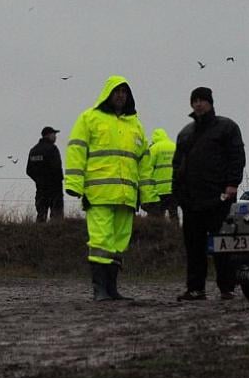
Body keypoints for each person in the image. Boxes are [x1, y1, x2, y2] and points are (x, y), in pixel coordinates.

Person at [65, 76, 154, 301]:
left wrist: (149, 195)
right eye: (117, 91)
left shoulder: (135, 124)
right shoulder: (90, 118)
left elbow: (143, 161)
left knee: (118, 243)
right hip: (99, 195)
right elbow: (76, 150)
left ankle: (112, 289)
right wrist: (74, 184)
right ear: (107, 93)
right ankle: (100, 290)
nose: (121, 95)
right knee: (101, 242)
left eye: (125, 91)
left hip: (126, 197)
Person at [172, 87, 245, 301]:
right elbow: (177, 165)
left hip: (218, 197)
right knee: (194, 247)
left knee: (223, 244)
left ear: (211, 102)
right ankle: (195, 288)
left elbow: (236, 156)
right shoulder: (185, 132)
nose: (198, 104)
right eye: (195, 100)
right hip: (191, 200)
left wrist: (232, 184)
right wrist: (177, 192)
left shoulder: (227, 127)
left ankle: (227, 288)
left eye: (202, 100)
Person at [26, 126, 64, 222]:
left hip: (40, 189)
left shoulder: (34, 150)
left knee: (41, 216)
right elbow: (57, 168)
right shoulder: (52, 149)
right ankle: (56, 236)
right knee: (56, 218)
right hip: (54, 188)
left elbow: (29, 170)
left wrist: (39, 180)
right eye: (54, 134)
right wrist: (58, 180)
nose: (55, 137)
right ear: (48, 135)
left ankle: (38, 236)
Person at [145, 129, 178, 221]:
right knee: (174, 215)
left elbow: (147, 168)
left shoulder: (154, 148)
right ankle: (176, 233)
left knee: (158, 217)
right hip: (173, 189)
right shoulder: (174, 146)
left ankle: (160, 234)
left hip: (159, 190)